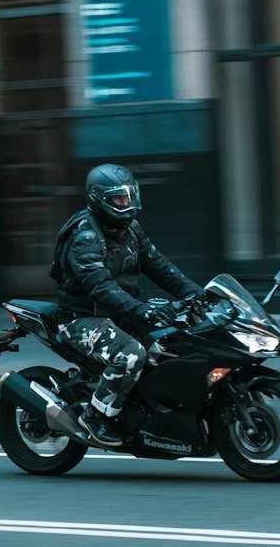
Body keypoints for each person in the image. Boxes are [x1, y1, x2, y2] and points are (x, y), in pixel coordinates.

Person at [49, 162, 202, 447]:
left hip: (119, 313)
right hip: (81, 318)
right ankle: (96, 416)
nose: (126, 204)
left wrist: (199, 295)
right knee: (130, 354)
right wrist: (143, 310)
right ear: (99, 200)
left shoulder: (131, 230)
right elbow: (100, 287)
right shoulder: (84, 238)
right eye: (119, 199)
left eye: (129, 197)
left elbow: (160, 267)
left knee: (175, 340)